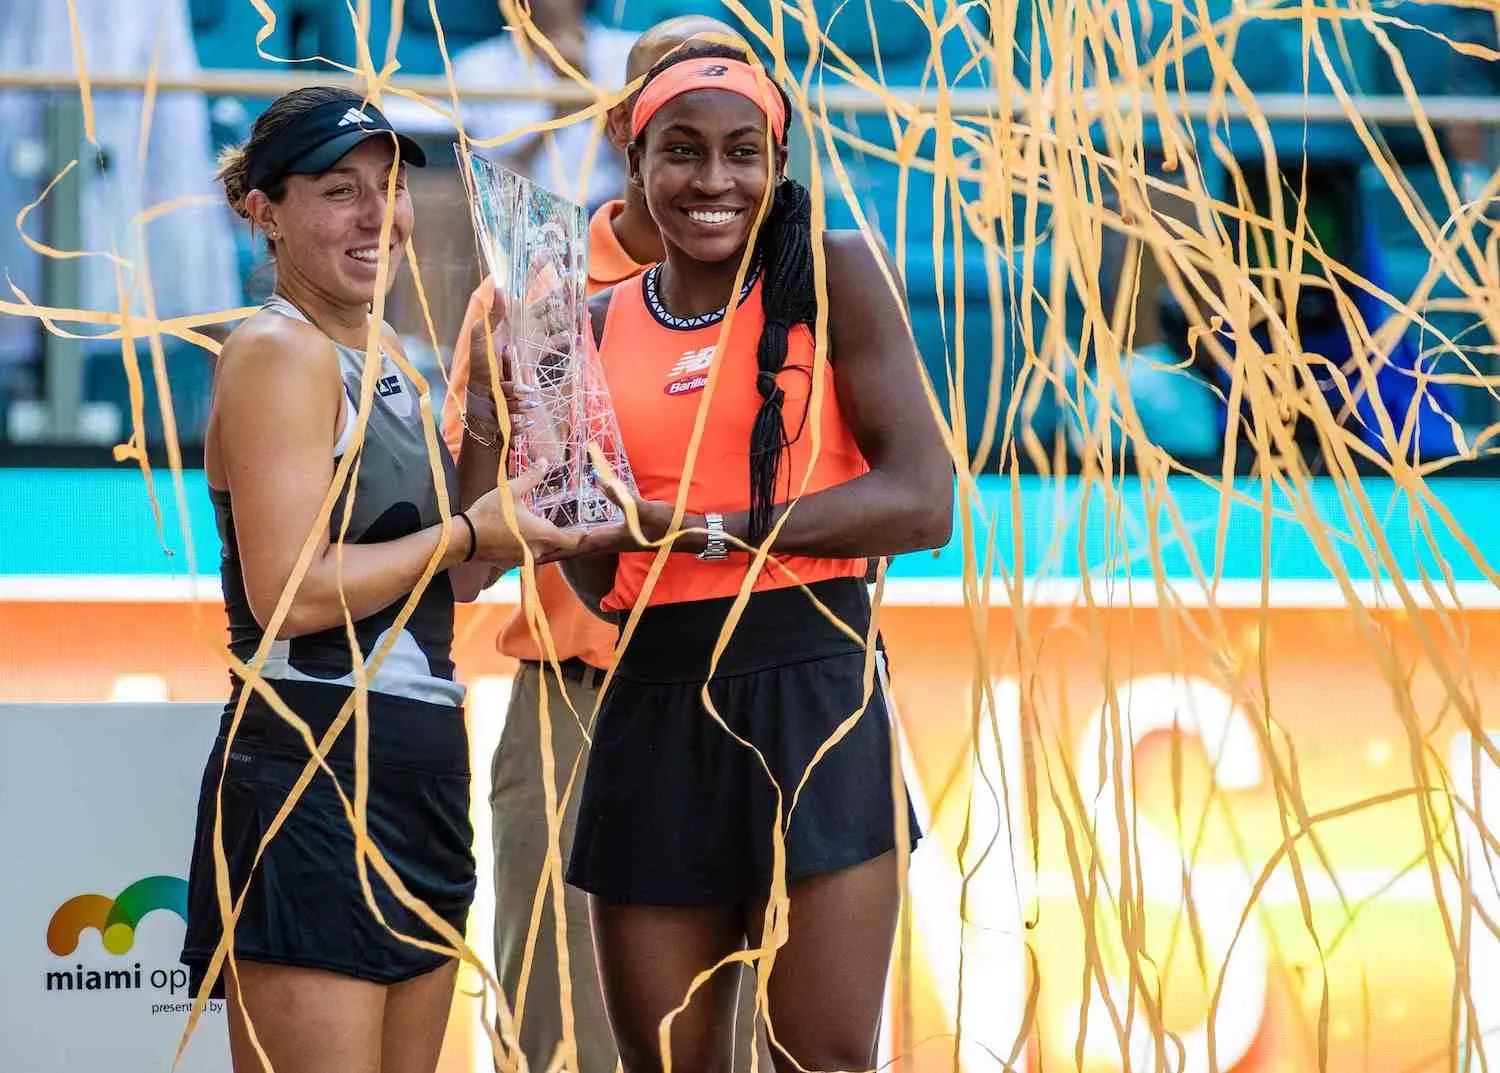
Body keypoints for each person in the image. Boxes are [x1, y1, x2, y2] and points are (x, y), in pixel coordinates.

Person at [560, 44, 954, 1073]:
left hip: (817, 688)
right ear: (634, 159)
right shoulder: (587, 325)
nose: (714, 181)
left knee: (820, 1055)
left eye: (743, 152)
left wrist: (718, 529)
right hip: (657, 692)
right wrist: (543, 464)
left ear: (777, 162)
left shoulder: (834, 276)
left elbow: (923, 499)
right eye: (682, 152)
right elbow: (598, 579)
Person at [178, 85, 584, 1073]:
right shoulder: (279, 349)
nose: (378, 215)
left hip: (413, 769)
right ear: (261, 211)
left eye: (392, 186)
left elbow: (461, 577)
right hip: (313, 769)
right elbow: (291, 592)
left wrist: (495, 409)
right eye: (337, 190)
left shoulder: (383, 343)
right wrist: (459, 530)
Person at [439, 17, 762, 1073]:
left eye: (733, 120)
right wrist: (491, 411)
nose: (705, 145)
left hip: (754, 697)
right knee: (557, 1035)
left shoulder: (808, 286)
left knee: (761, 1032)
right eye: (676, 115)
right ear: (628, 131)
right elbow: (469, 558)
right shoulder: (532, 284)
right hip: (575, 703)